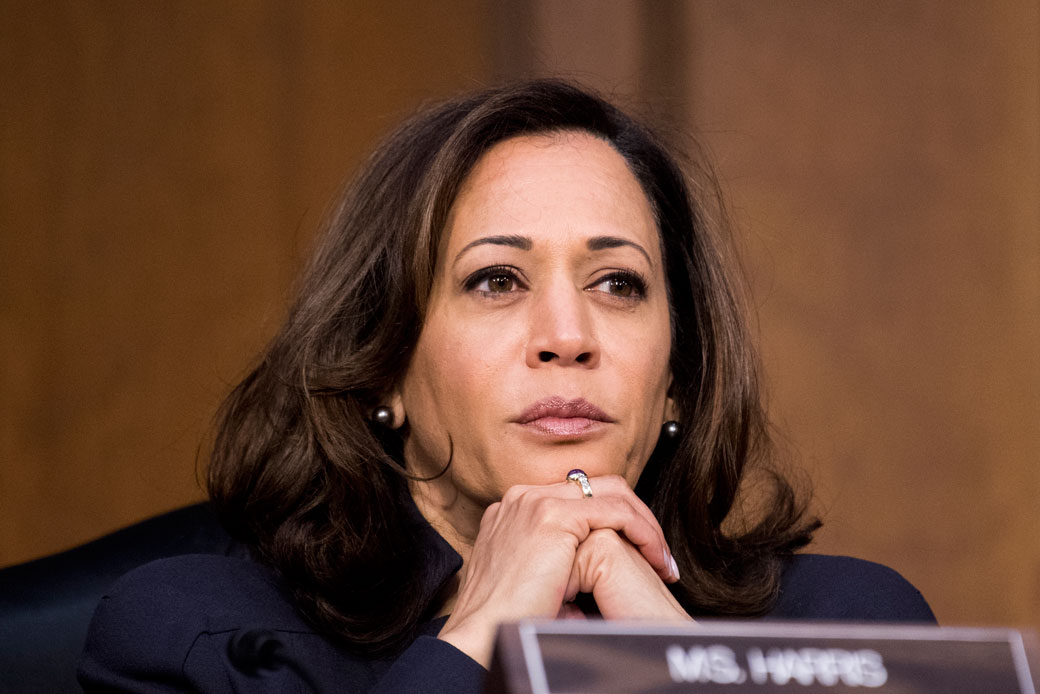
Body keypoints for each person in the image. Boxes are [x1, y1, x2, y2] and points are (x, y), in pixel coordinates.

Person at [78, 80, 933, 693]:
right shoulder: (201, 637)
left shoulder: (851, 630)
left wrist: (680, 666)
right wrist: (478, 631)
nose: (567, 338)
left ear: (678, 380)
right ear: (384, 364)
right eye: (496, 281)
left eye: (616, 284)